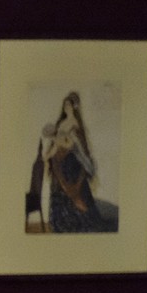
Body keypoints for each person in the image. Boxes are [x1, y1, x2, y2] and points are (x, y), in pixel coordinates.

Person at [41, 91, 114, 235]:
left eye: (69, 105)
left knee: (74, 192)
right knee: (58, 192)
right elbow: (56, 142)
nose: (66, 108)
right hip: (58, 162)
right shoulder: (61, 123)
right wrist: (49, 153)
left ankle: (75, 224)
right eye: (65, 105)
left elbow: (74, 145)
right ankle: (60, 223)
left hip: (70, 162)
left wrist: (63, 144)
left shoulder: (75, 123)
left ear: (74, 107)